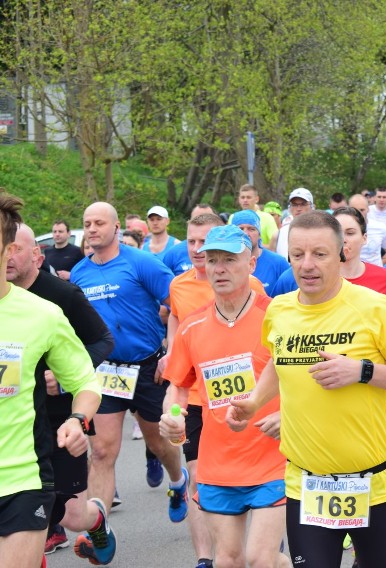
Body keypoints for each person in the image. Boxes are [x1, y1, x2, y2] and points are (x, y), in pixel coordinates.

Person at [227, 210, 386, 567]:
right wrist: (255, 400)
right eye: (297, 254)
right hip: (307, 485)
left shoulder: (374, 308)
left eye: (319, 254)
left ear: (342, 254)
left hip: (373, 483)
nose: (307, 265)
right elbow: (280, 360)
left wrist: (362, 371)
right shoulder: (280, 311)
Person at [159, 225, 288, 568]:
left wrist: (287, 415)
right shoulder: (192, 326)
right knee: (228, 560)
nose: (218, 268)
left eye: (229, 260)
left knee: (262, 559)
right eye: (211, 260)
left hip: (273, 459)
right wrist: (173, 415)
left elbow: (303, 379)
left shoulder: (278, 317)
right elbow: (178, 386)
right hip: (218, 464)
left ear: (252, 263)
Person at [70, 202, 189, 527]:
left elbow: (178, 303)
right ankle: (99, 528)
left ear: (116, 227)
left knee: (159, 444)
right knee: (103, 452)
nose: (92, 229)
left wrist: (172, 352)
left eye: (99, 223)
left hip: (148, 367)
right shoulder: (81, 272)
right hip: (106, 372)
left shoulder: (141, 262)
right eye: (87, 223)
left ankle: (178, 482)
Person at [0, 192, 101, 568]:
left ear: (9, 249)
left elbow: (86, 383)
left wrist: (77, 420)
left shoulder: (43, 314)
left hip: (22, 479)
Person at [231, 210, 289, 292]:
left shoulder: (278, 263)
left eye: (251, 229)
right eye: (240, 229)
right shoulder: (225, 265)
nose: (245, 233)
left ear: (259, 234)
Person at [161, 204, 217, 276]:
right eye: (196, 219)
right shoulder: (174, 253)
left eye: (207, 219)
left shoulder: (227, 254)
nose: (201, 222)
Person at [349, 193, 386, 266]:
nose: (359, 214)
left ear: (368, 209)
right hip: (350, 275)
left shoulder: (380, 227)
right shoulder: (341, 229)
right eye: (355, 210)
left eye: (362, 210)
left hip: (376, 275)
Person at [273, 187, 314, 257]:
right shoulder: (279, 234)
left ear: (311, 206)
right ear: (290, 208)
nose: (298, 209)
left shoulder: (321, 232)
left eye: (303, 204)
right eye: (294, 205)